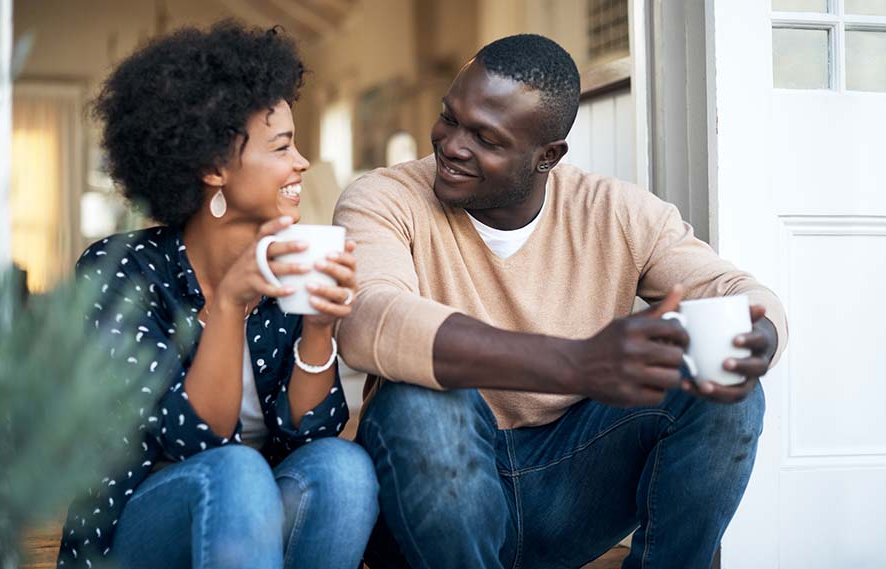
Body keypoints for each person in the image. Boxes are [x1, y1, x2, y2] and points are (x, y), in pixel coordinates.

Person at [334, 34, 788, 569]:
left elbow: (739, 293)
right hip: (433, 492)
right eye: (449, 118)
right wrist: (577, 364)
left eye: (486, 138)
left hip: (570, 487)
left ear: (547, 156)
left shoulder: (618, 211)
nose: (453, 144)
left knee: (723, 385)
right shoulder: (383, 198)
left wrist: (756, 338)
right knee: (421, 401)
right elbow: (367, 321)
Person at [57, 22, 378, 569]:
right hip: (139, 532)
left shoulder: (287, 265)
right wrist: (228, 304)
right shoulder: (124, 273)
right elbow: (192, 442)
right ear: (211, 168)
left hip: (250, 532)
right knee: (237, 470)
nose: (302, 162)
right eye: (282, 146)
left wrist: (320, 324)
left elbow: (310, 433)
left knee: (343, 467)